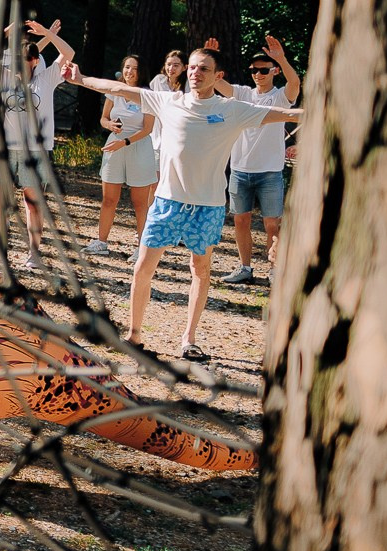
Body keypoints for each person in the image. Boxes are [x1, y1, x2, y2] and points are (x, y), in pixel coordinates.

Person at [65, 52, 300, 360]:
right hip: (166, 203)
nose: (196, 73)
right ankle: (134, 336)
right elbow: (117, 88)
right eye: (192, 67)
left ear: (218, 76)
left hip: (208, 206)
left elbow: (288, 114)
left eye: (204, 68)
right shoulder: (169, 101)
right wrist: (81, 78)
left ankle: (188, 339)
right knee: (142, 269)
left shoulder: (232, 109)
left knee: (200, 270)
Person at [0, 19, 74, 260]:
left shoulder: (46, 79)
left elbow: (69, 53)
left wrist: (46, 34)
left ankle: (33, 252)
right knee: (0, 199)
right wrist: (8, 30)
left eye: (28, 57)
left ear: (35, 61)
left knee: (32, 201)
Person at [226, 35, 300, 286]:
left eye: (264, 70)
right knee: (241, 219)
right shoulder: (242, 93)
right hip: (239, 169)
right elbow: (218, 84)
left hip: (269, 171)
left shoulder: (280, 96)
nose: (258, 74)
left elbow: (295, 82)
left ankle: (275, 270)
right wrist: (206, 54)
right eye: (254, 70)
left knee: (272, 224)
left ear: (274, 72)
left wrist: (281, 58)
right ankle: (245, 267)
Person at [87, 55, 158, 255]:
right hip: (114, 145)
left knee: (139, 201)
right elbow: (103, 118)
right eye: (126, 67)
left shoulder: (147, 95)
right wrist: (109, 125)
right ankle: (101, 242)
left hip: (138, 146)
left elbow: (148, 128)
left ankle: (142, 249)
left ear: (141, 71)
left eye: (134, 68)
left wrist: (125, 141)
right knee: (109, 198)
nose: (129, 72)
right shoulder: (115, 91)